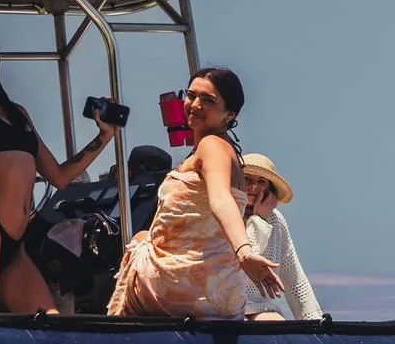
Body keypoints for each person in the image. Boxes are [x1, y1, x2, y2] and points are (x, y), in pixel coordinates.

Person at [107, 66, 319, 324]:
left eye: (208, 100)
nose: (195, 105)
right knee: (143, 237)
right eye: (191, 95)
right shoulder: (217, 149)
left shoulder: (213, 146)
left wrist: (244, 252)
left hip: (185, 289)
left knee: (139, 240)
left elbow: (220, 199)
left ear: (229, 114)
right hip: (222, 297)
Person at [0, 24, 120, 318]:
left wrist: (104, 136)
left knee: (53, 326)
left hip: (15, 243)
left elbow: (59, 177)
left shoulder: (17, 113)